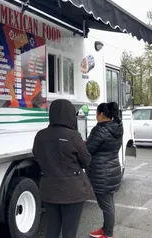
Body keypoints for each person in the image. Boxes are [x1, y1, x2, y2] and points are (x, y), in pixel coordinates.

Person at [33, 99, 93, 238]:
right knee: (69, 232)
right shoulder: (73, 136)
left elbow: (36, 156)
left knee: (51, 230)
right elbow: (86, 160)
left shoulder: (40, 135)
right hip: (72, 191)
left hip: (49, 189)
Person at [86, 102, 123, 238]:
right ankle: (106, 229)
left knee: (106, 205)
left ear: (101, 114)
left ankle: (108, 234)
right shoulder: (117, 128)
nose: (96, 116)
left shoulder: (100, 130)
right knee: (109, 203)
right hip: (112, 170)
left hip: (102, 174)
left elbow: (88, 150)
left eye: (97, 113)